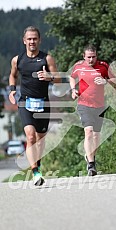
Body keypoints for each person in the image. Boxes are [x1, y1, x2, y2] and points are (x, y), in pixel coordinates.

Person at [9, 26, 61, 186]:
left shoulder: (47, 59)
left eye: (35, 38)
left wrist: (49, 77)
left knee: (40, 139)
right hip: (25, 102)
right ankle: (35, 172)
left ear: (39, 40)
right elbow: (13, 75)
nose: (32, 41)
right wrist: (12, 91)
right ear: (24, 41)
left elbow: (58, 79)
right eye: (29, 39)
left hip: (43, 103)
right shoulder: (18, 59)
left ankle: (37, 162)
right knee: (30, 136)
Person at [70, 44, 114, 176]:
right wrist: (73, 90)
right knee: (88, 132)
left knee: (96, 136)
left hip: (100, 105)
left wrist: (106, 82)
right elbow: (72, 77)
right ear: (84, 56)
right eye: (88, 57)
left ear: (97, 56)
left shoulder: (103, 66)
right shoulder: (78, 66)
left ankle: (91, 157)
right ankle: (91, 164)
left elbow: (114, 79)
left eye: (93, 57)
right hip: (84, 104)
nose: (91, 60)